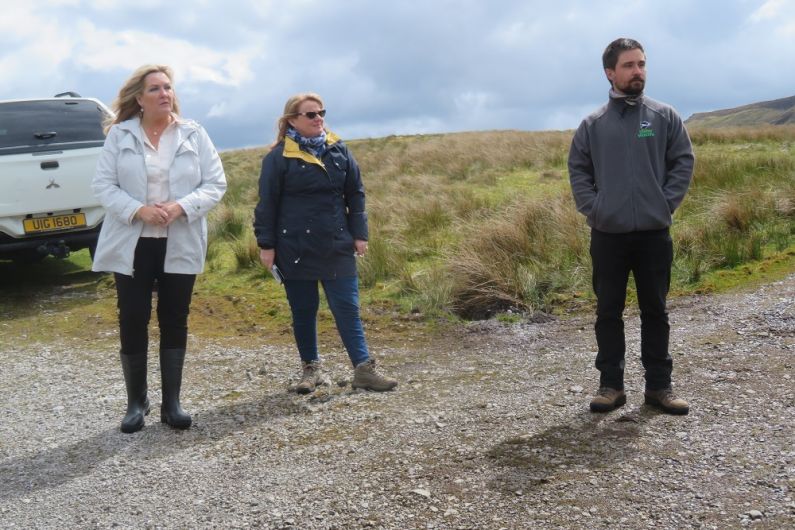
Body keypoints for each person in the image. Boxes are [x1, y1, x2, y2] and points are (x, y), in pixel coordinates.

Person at [92, 65, 227, 433]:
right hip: (132, 242)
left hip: (179, 239)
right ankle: (137, 402)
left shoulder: (193, 133)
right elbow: (103, 186)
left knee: (174, 317)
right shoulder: (119, 135)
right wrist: (139, 210)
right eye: (155, 89)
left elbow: (216, 183)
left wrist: (181, 206)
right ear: (139, 98)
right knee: (133, 316)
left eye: (168, 87)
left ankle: (172, 403)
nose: (164, 94)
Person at [568, 38, 695, 415]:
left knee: (655, 310)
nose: (637, 71)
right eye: (628, 66)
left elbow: (683, 162)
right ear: (610, 73)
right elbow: (578, 169)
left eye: (641, 64)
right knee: (608, 312)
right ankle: (611, 387)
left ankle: (659, 387)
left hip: (654, 234)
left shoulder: (664, 116)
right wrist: (596, 209)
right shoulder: (593, 124)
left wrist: (664, 203)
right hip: (608, 235)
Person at [253, 93, 397, 394]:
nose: (319, 118)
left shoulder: (339, 150)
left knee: (347, 308)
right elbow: (266, 205)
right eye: (310, 114)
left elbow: (355, 194)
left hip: (337, 243)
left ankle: (364, 370)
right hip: (295, 248)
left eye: (321, 112)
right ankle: (311, 370)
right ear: (292, 120)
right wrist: (267, 246)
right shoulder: (278, 158)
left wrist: (360, 235)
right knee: (303, 310)